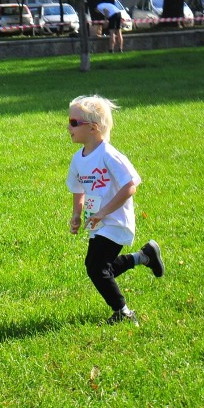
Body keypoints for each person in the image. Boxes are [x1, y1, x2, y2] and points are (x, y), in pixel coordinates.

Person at [65, 95, 164, 326]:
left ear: (93, 128)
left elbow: (130, 186)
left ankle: (123, 312)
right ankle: (144, 256)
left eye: (73, 122)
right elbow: (78, 188)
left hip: (116, 220)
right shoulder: (78, 159)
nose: (68, 127)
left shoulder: (109, 154)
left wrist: (105, 212)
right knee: (100, 268)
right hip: (97, 222)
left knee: (95, 267)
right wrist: (77, 214)